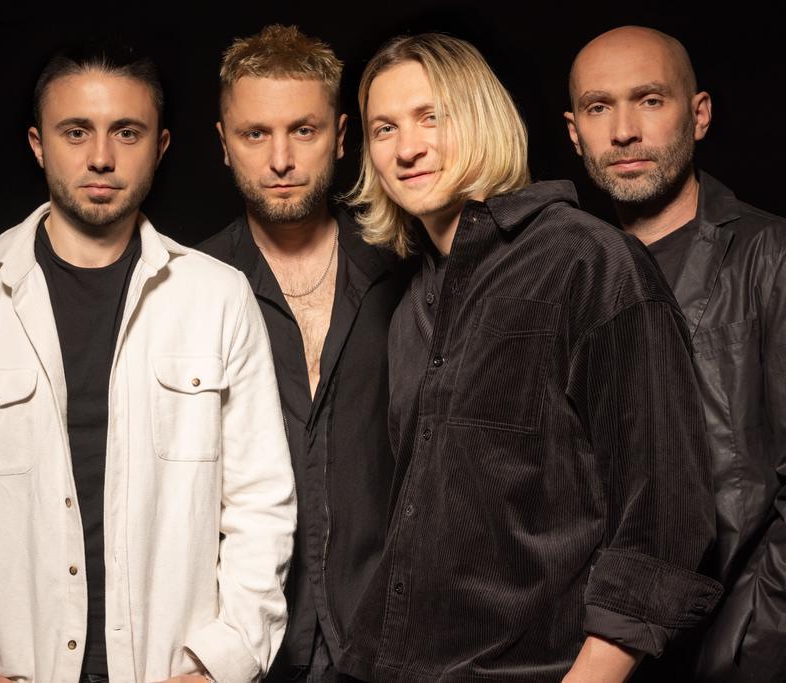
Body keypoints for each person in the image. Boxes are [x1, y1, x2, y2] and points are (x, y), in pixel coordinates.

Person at [0, 42, 295, 683]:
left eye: (127, 132)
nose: (100, 156)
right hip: (13, 666)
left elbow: (262, 502)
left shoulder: (219, 298)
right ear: (38, 145)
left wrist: (223, 664)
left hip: (172, 668)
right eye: (75, 132)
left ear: (161, 146)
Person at [335, 33, 722, 682]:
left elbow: (664, 520)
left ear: (482, 118)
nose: (406, 148)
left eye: (431, 117)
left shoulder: (587, 262)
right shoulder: (408, 312)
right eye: (384, 128)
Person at [565, 25, 786, 682]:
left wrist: (744, 648)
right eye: (599, 107)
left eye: (650, 100)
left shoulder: (770, 258)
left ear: (700, 114)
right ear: (574, 132)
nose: (623, 131)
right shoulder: (567, 276)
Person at [197, 25, 405, 683]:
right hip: (240, 648)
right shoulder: (188, 289)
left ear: (341, 136)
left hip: (389, 641)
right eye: (255, 134)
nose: (280, 159)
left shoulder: (407, 269)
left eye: (303, 130)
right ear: (223, 144)